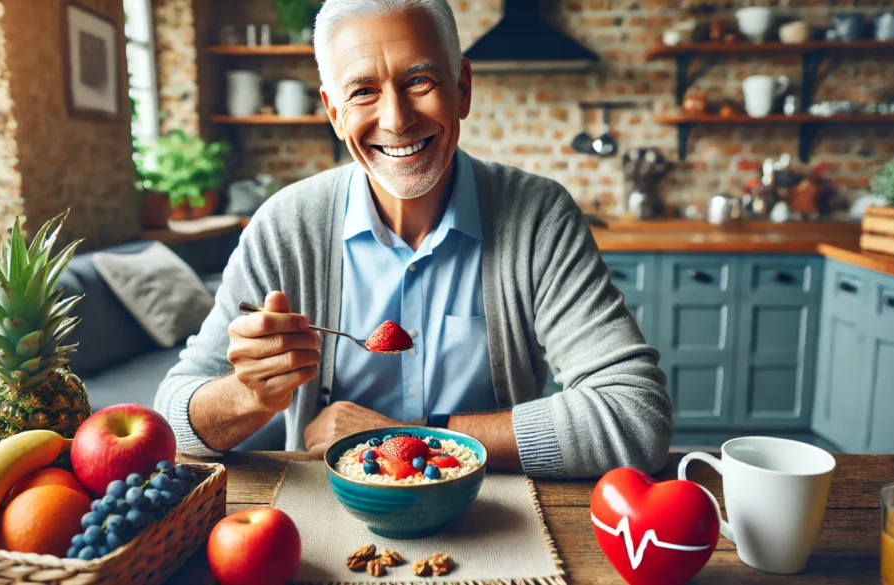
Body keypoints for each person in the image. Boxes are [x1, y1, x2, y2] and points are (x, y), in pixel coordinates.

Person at [155, 0, 673, 478]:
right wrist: (250, 395)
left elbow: (635, 415)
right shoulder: (285, 226)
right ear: (334, 112)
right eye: (362, 91)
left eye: (419, 81)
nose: (397, 119)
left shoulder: (538, 216)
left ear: (462, 89)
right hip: (329, 517)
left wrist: (409, 437)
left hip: (499, 514)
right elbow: (171, 423)